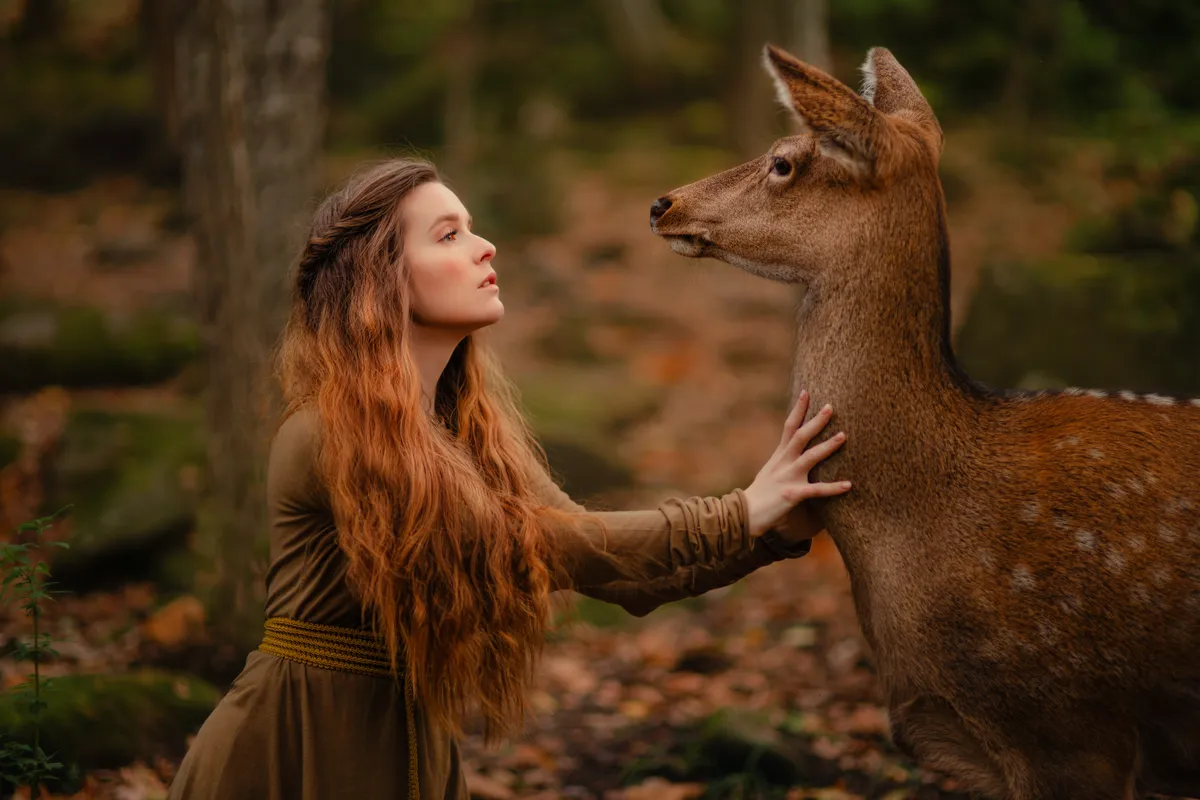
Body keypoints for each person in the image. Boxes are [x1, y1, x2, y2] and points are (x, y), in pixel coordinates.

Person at [167, 158, 851, 800]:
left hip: (405, 749)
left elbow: (619, 576)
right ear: (382, 278)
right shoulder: (323, 435)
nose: (486, 246)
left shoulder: (465, 438)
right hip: (288, 749)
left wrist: (773, 533)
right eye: (449, 235)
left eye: (472, 228)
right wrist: (741, 512)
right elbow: (552, 545)